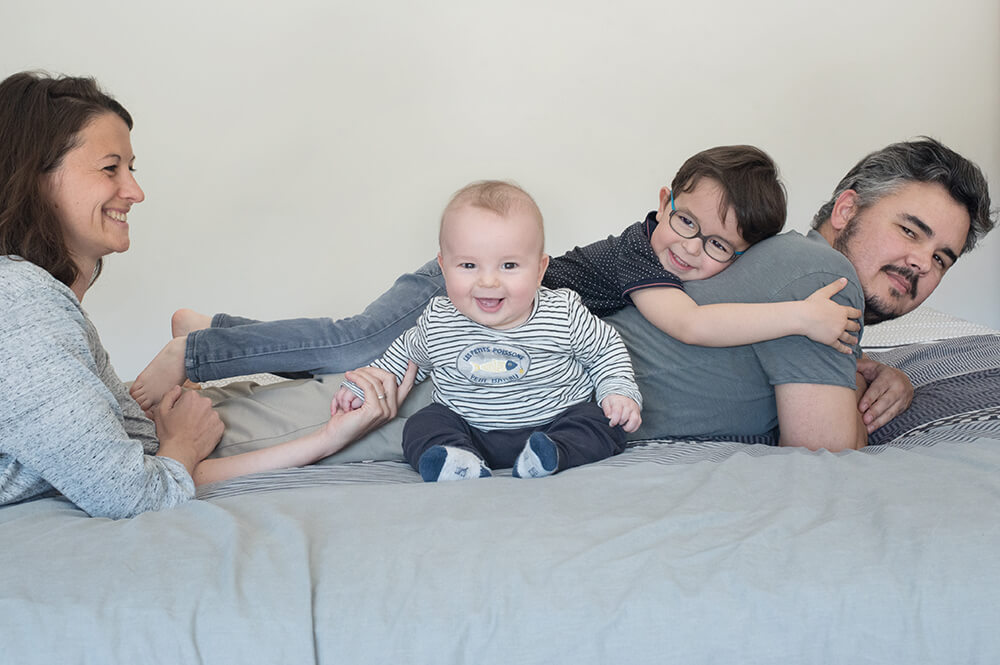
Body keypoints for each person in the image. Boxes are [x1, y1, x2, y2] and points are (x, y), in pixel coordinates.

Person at [131, 146, 861, 409]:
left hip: (490, 291)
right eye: (687, 224)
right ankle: (195, 354)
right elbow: (693, 326)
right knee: (349, 345)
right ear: (663, 203)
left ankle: (214, 327)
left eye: (720, 250)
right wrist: (802, 317)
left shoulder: (669, 255)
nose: (691, 253)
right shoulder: (643, 254)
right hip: (464, 285)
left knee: (343, 343)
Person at [0, 71, 413, 519]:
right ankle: (201, 341)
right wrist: (183, 442)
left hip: (198, 429)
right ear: (36, 175)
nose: (135, 192)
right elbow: (135, 493)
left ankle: (202, 341)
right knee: (429, 394)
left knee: (395, 367)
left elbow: (107, 456)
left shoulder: (26, 298)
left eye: (130, 169)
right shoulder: (20, 304)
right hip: (204, 440)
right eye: (109, 167)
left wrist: (174, 428)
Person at [338, 180, 644, 481]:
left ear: (539, 270)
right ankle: (457, 461)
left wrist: (617, 391)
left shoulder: (562, 312)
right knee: (423, 424)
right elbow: (403, 361)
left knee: (602, 422)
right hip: (470, 430)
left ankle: (553, 455)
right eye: (469, 266)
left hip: (554, 423)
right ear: (443, 267)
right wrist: (360, 390)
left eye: (508, 266)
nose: (488, 282)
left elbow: (606, 350)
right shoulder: (439, 321)